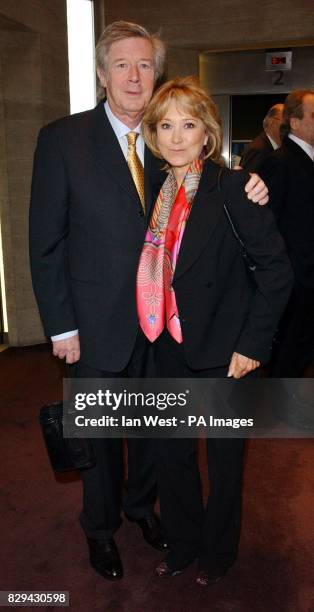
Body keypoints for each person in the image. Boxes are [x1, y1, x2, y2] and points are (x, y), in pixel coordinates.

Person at [29, 21, 270, 582]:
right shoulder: (62, 139)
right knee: (100, 437)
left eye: (145, 66)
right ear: (101, 74)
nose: (134, 77)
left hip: (166, 333)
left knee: (156, 435)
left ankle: (143, 510)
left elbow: (209, 194)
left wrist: (253, 183)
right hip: (96, 325)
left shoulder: (168, 143)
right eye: (122, 65)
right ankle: (100, 529)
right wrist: (61, 325)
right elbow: (45, 244)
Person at [137, 77, 293, 586]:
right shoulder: (153, 193)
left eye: (188, 124)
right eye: (165, 126)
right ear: (153, 136)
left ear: (207, 133)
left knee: (226, 464)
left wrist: (252, 345)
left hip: (226, 352)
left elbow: (276, 271)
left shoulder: (234, 187)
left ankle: (218, 554)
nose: (177, 136)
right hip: (167, 347)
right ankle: (183, 544)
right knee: (172, 455)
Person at [261, 90, 314, 376]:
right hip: (295, 281)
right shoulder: (280, 162)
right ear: (294, 123)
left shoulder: (306, 161)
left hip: (306, 280)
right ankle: (280, 416)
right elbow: (270, 224)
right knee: (288, 354)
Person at [240, 103, 284, 172]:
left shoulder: (270, 147)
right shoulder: (258, 149)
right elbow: (249, 180)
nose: (290, 127)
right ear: (273, 123)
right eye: (285, 122)